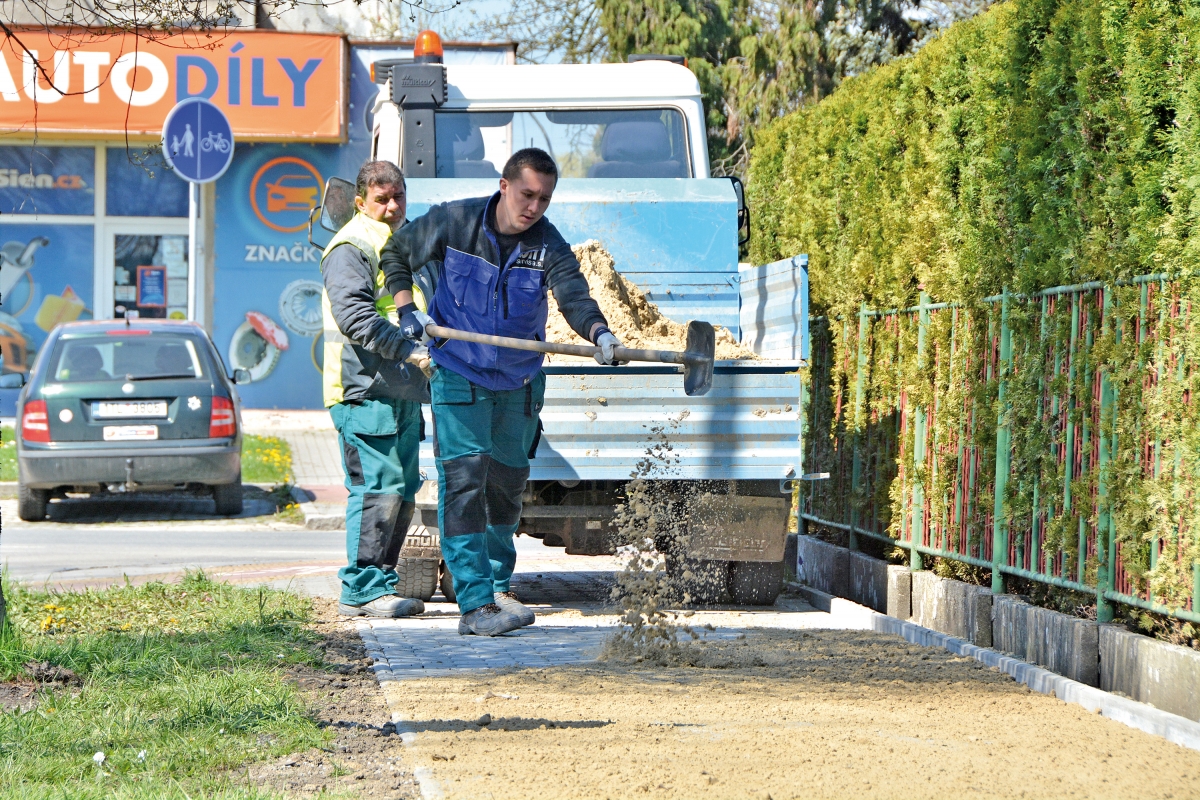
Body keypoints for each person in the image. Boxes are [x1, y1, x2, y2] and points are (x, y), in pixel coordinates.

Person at [380, 147, 623, 636]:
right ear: (505, 186)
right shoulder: (455, 221)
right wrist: (407, 309)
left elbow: (574, 296)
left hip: (519, 381)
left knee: (508, 487)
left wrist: (599, 334)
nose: (534, 207)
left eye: (545, 199)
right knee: (465, 484)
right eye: (528, 194)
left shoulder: (548, 245)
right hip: (460, 372)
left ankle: (495, 586)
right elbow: (396, 254)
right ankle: (474, 603)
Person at [321, 159, 435, 618]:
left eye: (398, 197)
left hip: (401, 391)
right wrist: (410, 352)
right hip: (362, 388)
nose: (392, 207)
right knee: (376, 487)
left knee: (402, 488)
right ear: (361, 201)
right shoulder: (351, 245)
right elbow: (354, 317)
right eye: (381, 199)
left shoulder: (405, 244)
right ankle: (362, 587)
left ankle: (381, 582)